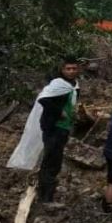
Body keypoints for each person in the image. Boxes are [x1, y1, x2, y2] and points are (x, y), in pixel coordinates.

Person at [36, 57, 80, 203]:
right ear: (62, 70)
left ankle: (47, 193)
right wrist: (59, 112)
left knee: (56, 160)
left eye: (74, 68)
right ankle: (45, 197)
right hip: (53, 127)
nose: (71, 71)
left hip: (64, 128)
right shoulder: (58, 84)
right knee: (50, 160)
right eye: (68, 68)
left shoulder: (73, 86)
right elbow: (43, 99)